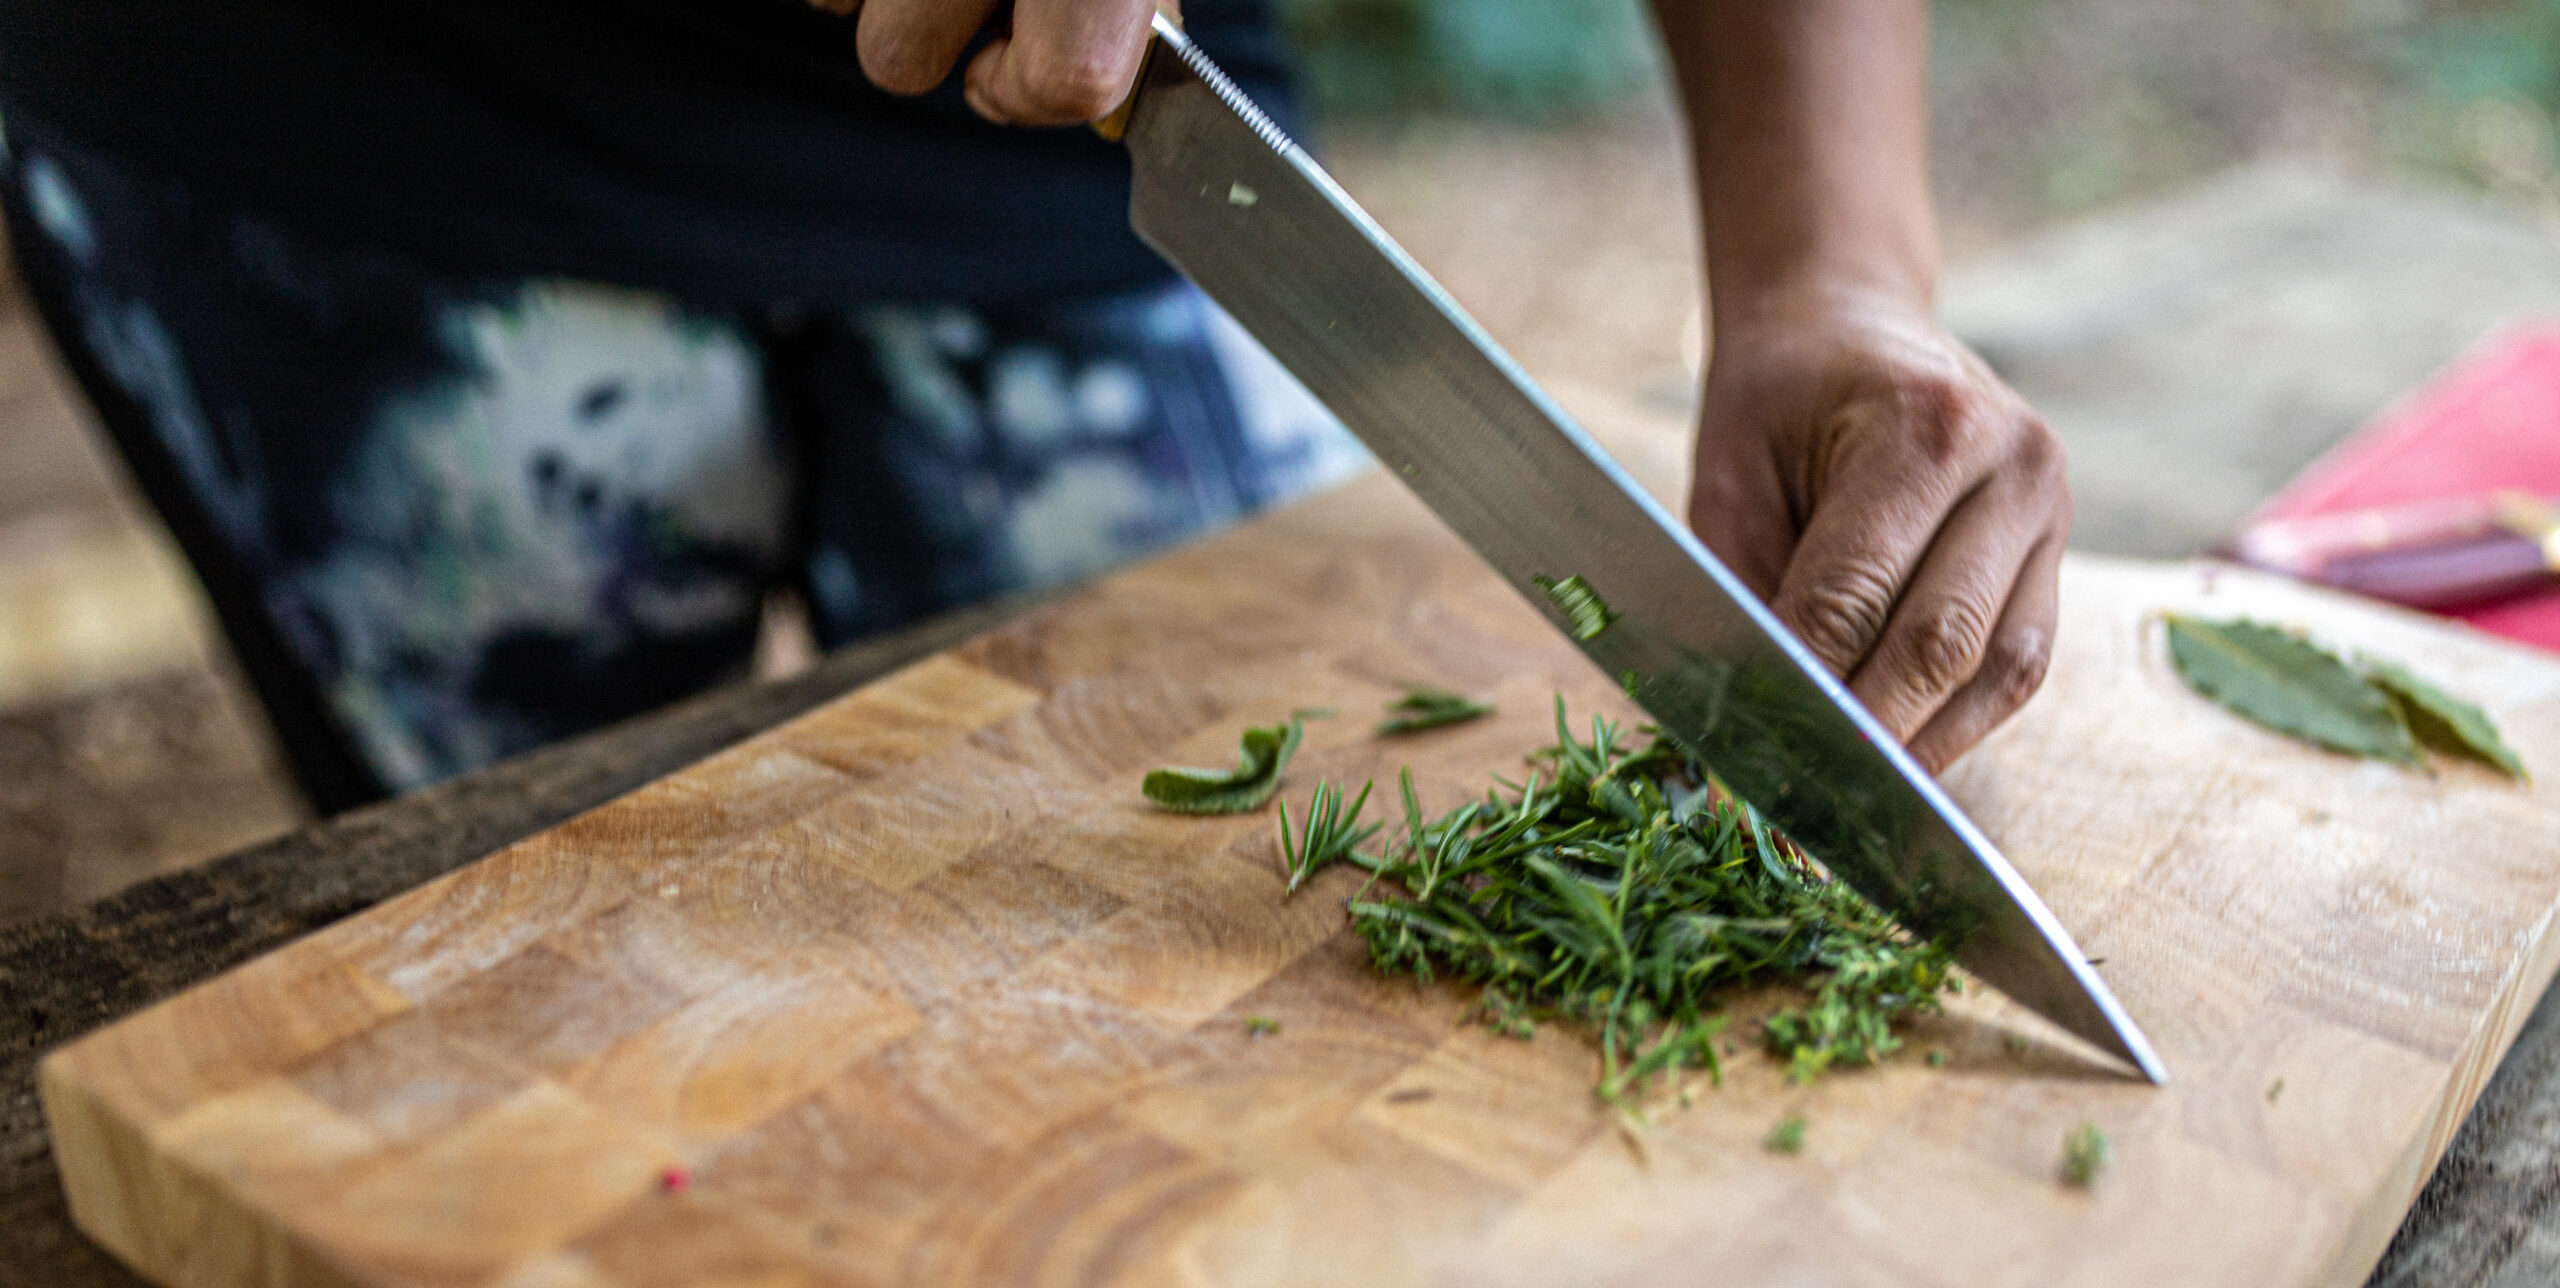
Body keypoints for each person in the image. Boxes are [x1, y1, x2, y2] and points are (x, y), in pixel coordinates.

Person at [0, 0, 2063, 811]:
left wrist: (1826, 268)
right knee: (512, 920)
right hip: (347, 138)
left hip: (1097, 105)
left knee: (1189, 821)